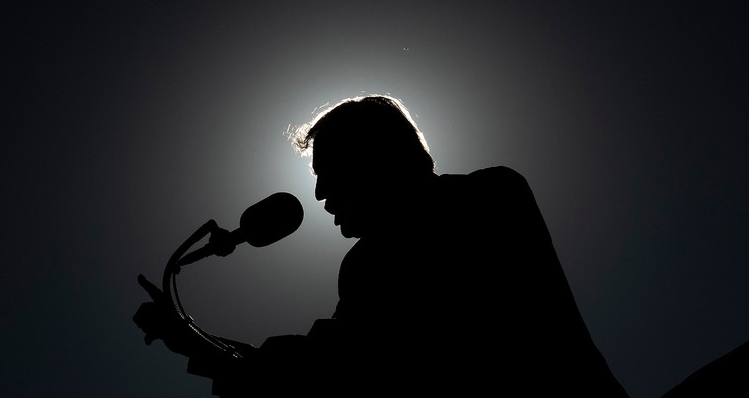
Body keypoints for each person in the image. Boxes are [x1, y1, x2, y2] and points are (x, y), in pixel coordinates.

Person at [135, 95, 627, 395]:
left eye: (330, 173)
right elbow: (338, 364)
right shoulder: (370, 261)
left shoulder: (489, 195)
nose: (320, 194)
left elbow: (351, 363)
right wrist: (196, 340)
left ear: (378, 158)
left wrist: (213, 350)